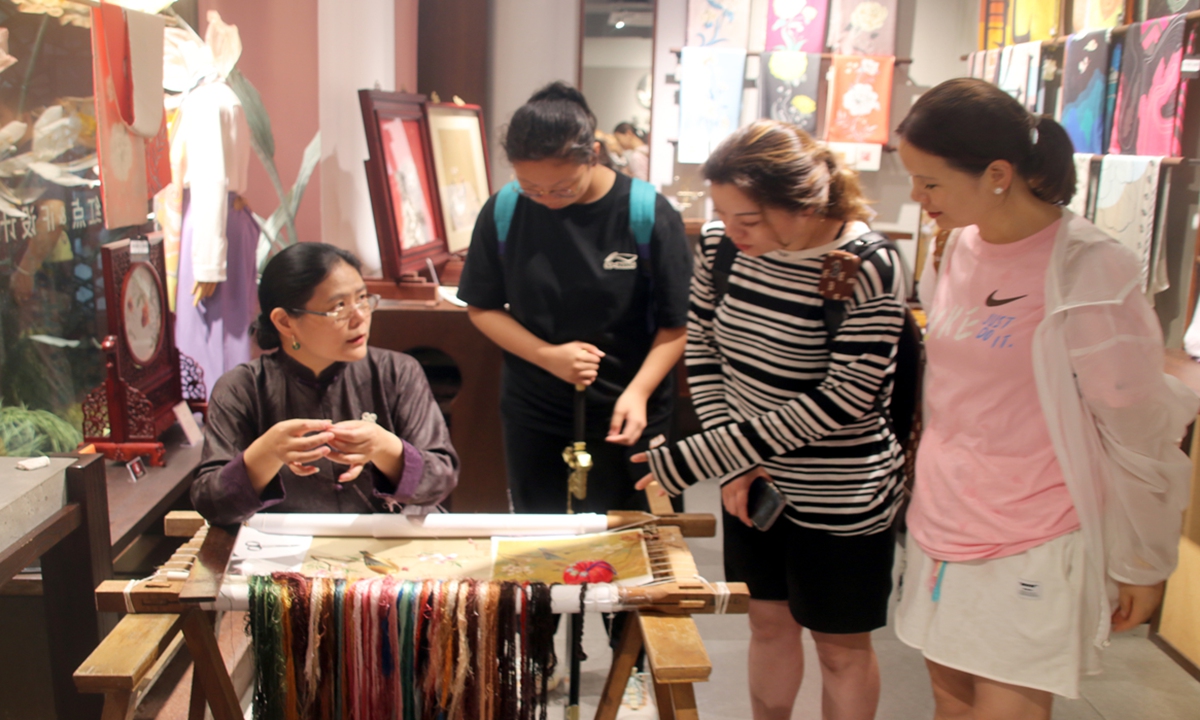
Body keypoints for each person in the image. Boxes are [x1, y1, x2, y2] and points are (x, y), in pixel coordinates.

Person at [893, 78, 1198, 719]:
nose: (916, 199)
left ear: (998, 173)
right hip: (942, 521)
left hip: (1034, 533)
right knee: (949, 704)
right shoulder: (957, 248)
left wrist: (1143, 560)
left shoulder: (1089, 266)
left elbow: (1136, 423)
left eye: (931, 182)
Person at [634, 120, 908, 720]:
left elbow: (847, 400)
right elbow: (704, 347)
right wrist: (736, 462)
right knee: (767, 623)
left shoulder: (868, 265)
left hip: (841, 492)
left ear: (806, 204)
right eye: (724, 214)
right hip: (753, 485)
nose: (732, 231)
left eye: (748, 219)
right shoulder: (721, 245)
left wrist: (706, 456)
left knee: (841, 648)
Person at [457, 82, 691, 517]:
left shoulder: (647, 213)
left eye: (562, 188)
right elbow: (482, 306)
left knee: (639, 537)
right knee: (538, 542)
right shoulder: (504, 210)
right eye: (531, 187)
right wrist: (548, 356)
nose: (546, 200)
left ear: (594, 156)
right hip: (536, 408)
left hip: (630, 409)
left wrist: (638, 392)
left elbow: (676, 326)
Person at [191, 242, 459, 525]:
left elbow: (441, 479)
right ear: (284, 322)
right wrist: (265, 454)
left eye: (363, 298)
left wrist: (386, 448)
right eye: (339, 307)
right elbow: (212, 506)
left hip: (392, 545)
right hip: (286, 552)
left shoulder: (397, 372)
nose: (360, 317)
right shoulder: (241, 388)